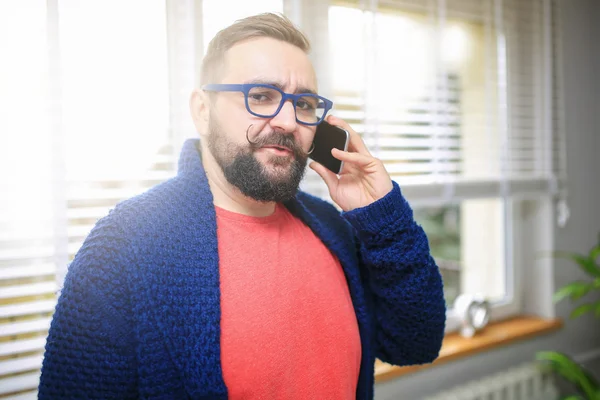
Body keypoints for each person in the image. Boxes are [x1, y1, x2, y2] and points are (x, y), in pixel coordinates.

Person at [38, 12, 445, 400]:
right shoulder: (123, 248)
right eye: (261, 96)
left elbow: (415, 343)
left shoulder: (332, 228)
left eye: (303, 104)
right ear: (202, 110)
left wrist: (382, 219)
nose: (288, 121)